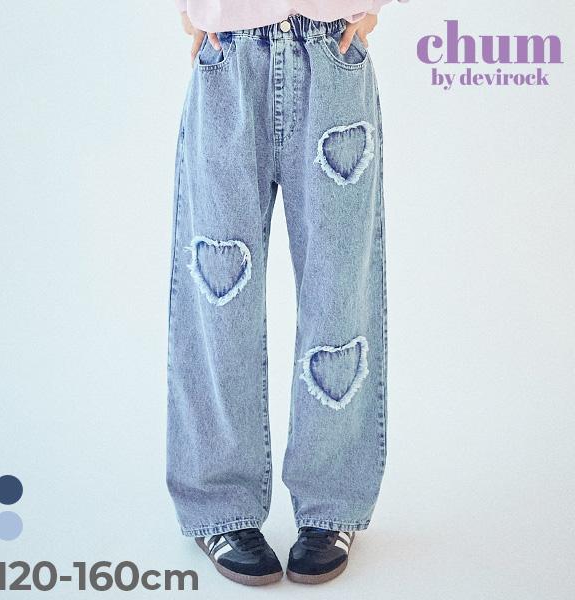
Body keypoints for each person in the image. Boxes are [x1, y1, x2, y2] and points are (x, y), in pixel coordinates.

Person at [166, 0, 406, 586]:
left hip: (332, 53)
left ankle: (331, 505)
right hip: (229, 56)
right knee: (218, 300)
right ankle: (220, 505)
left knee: (339, 292)